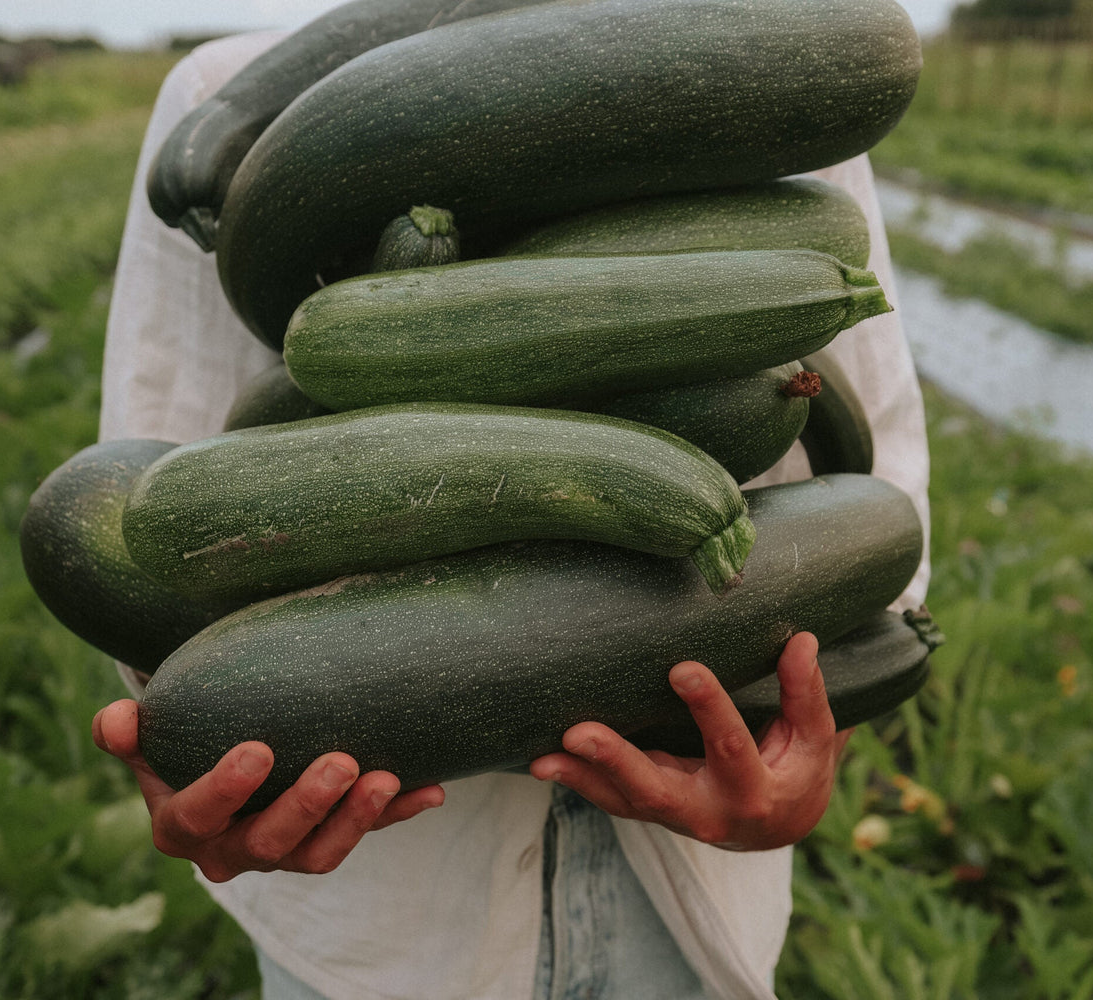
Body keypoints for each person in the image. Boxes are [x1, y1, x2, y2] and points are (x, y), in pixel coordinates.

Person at [89, 31, 931, 1000]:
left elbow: (873, 462)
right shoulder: (228, 98)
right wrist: (199, 764)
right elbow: (163, 519)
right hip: (386, 914)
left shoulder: (780, 49)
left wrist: (814, 748)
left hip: (691, 893)